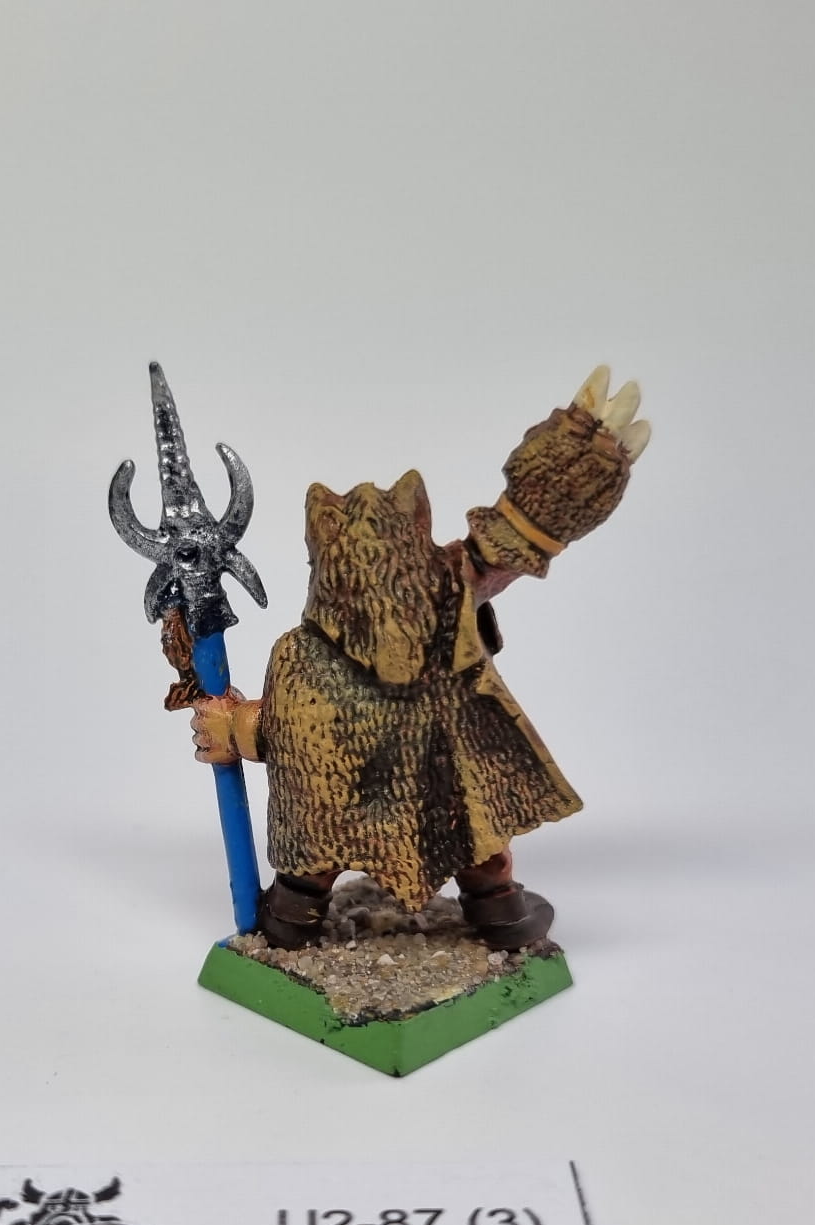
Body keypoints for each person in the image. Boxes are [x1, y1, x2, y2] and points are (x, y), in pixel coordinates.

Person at [189, 367, 650, 949]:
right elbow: (508, 543)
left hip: (393, 789)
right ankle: (498, 912)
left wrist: (234, 727)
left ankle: (291, 916)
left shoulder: (303, 652)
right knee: (474, 841)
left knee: (319, 851)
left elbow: (280, 732)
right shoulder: (445, 595)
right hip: (435, 786)